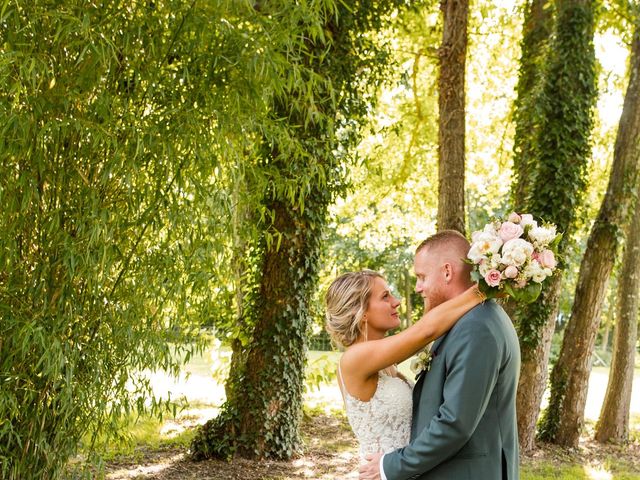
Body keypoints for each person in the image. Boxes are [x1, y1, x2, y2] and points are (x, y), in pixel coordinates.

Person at [358, 230, 521, 480]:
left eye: (421, 277)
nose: (418, 287)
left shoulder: (475, 327)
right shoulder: (468, 319)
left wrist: (390, 466)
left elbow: (455, 423)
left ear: (447, 271)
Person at [325, 263, 485, 461]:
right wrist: (483, 290)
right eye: (385, 297)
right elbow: (425, 331)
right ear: (361, 312)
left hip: (405, 467)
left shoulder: (384, 360)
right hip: (383, 471)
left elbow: (426, 330)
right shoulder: (354, 359)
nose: (397, 302)